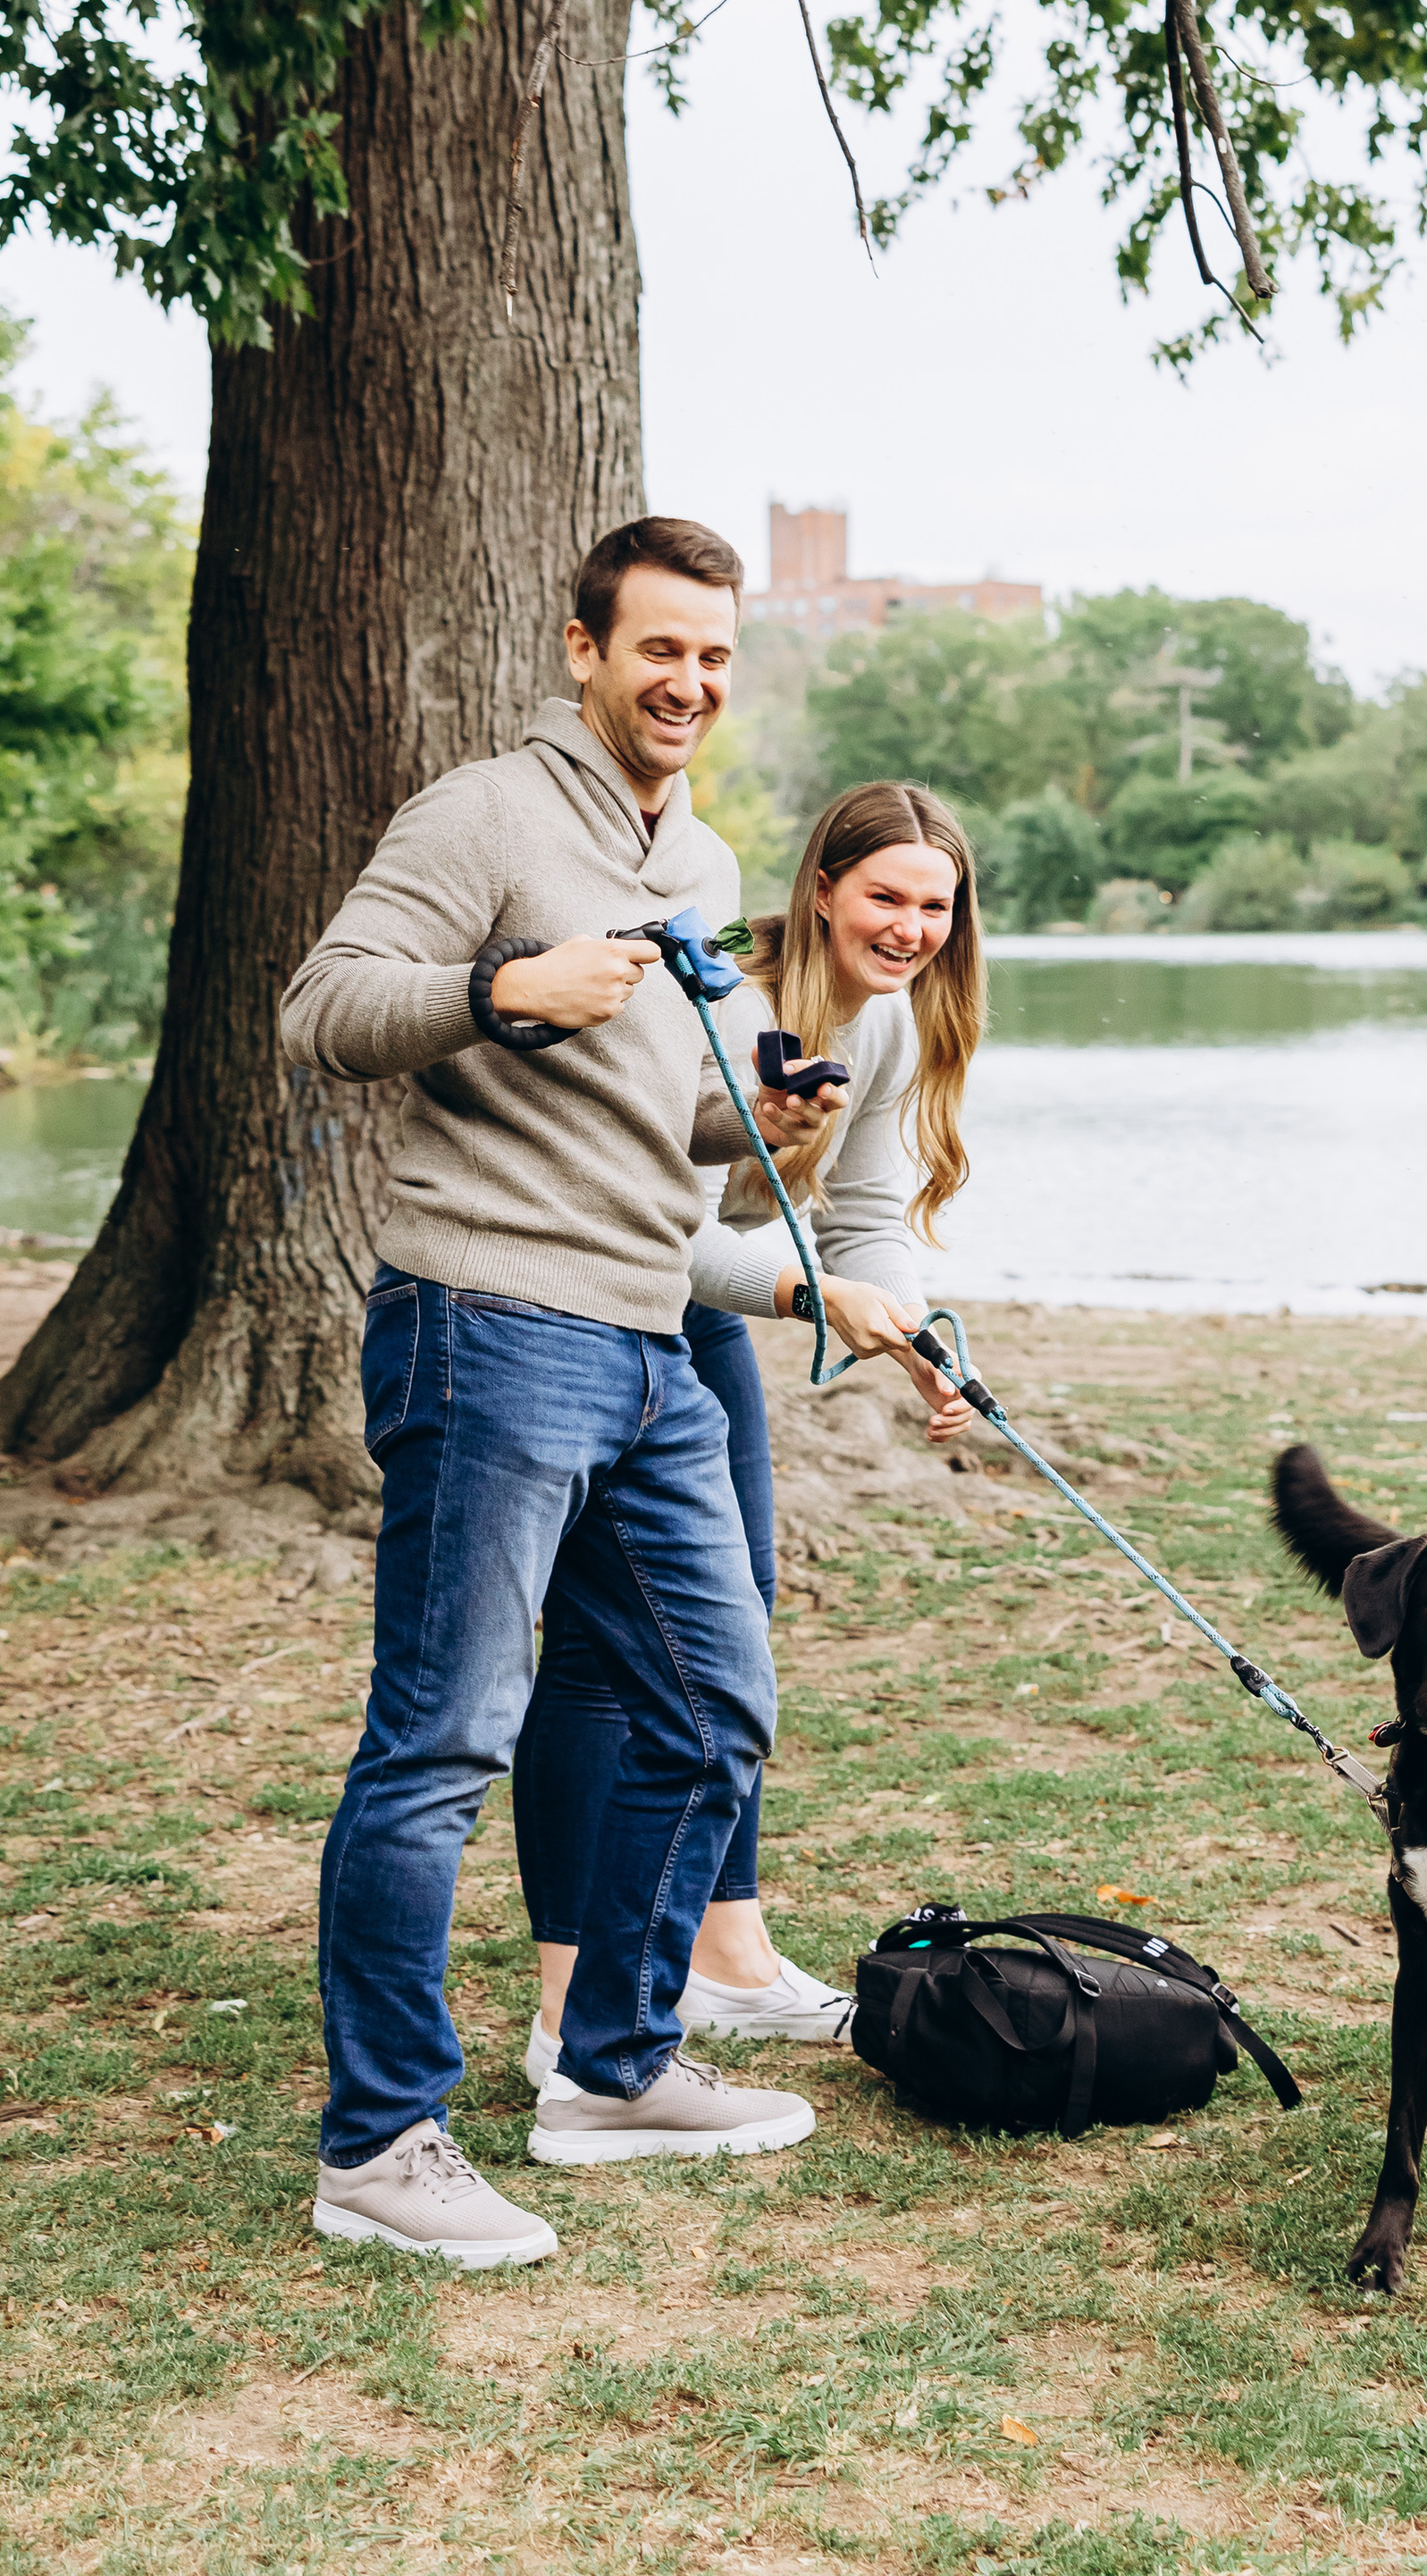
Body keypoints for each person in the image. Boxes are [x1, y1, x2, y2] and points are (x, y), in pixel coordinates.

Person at [277, 517, 853, 2271]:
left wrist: (784, 1132)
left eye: (714, 657)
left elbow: (687, 1140)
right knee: (444, 1730)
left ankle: (604, 2064)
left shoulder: (704, 855)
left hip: (644, 1335)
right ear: (583, 648)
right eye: (657, 648)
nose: (686, 682)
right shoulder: (483, 815)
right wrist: (495, 987)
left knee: (714, 1699)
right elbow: (320, 1006)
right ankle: (377, 2143)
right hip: (490, 1319)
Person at [512, 778, 986, 2083]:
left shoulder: (885, 1023)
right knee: (611, 1646)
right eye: (885, 896)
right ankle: (565, 2010)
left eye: (934, 905)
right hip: (589, 1301)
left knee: (735, 1615)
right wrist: (806, 1293)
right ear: (820, 887)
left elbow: (870, 1212)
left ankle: (727, 1954)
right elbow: (660, 1225)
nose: (907, 927)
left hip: (698, 1312)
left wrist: (919, 1332)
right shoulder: (720, 1002)